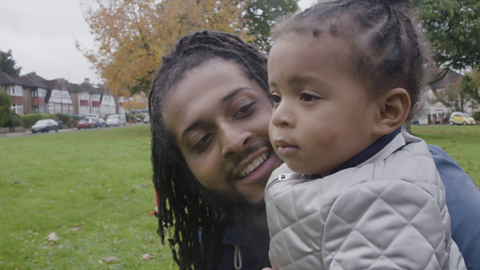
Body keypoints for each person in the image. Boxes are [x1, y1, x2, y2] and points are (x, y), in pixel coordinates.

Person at [148, 31, 480, 270]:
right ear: (187, 169)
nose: (234, 140)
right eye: (201, 141)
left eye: (245, 108)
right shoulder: (216, 242)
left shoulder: (424, 188)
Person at [264, 0, 465, 269]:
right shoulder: (321, 171)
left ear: (386, 111)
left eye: (307, 96)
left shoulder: (387, 201)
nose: (278, 116)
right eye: (276, 97)